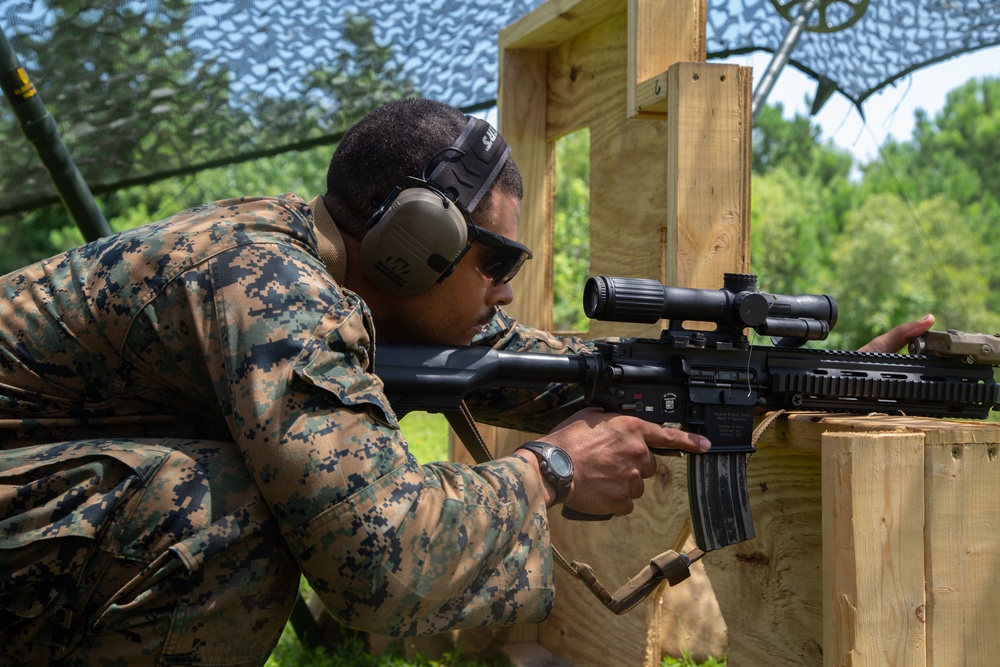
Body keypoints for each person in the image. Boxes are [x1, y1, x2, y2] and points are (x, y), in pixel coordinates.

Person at [0, 98, 931, 666]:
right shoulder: (273, 288)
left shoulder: (309, 260)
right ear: (409, 243)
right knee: (219, 515)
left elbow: (530, 363)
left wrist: (801, 382)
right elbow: (380, 564)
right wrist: (551, 473)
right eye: (494, 258)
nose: (507, 283)